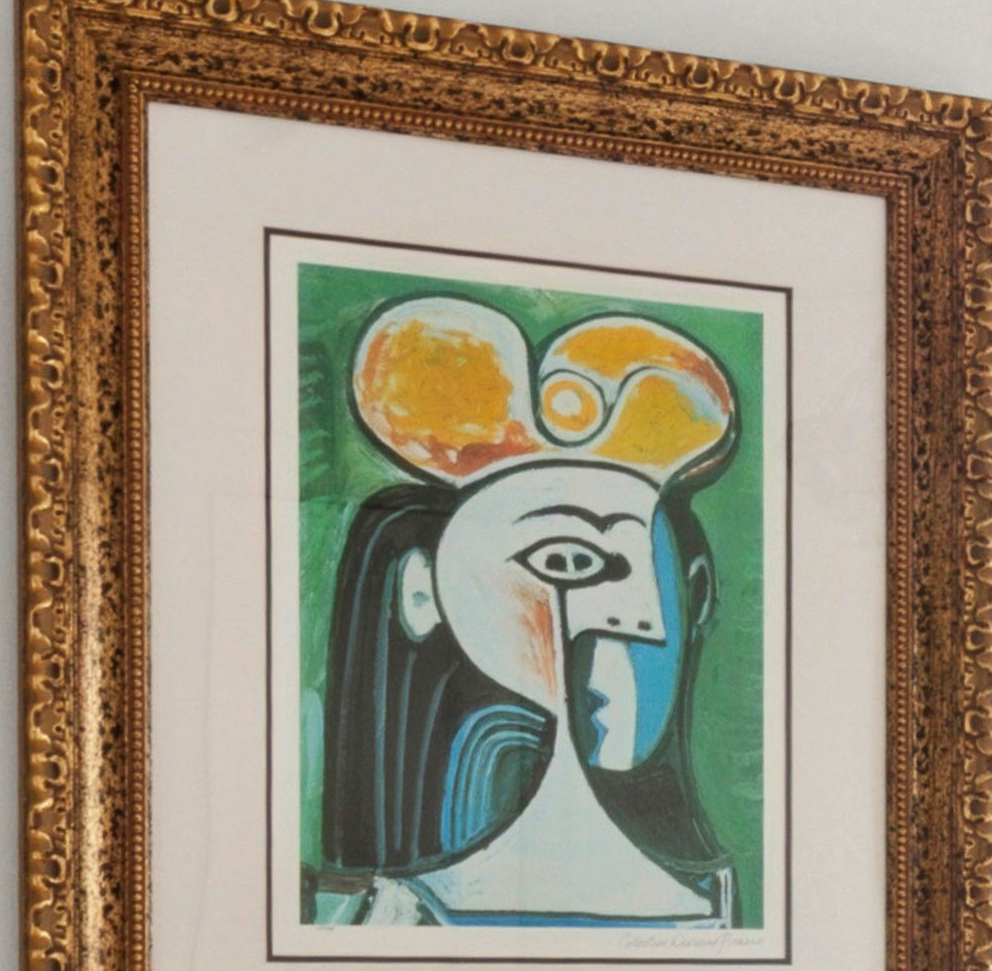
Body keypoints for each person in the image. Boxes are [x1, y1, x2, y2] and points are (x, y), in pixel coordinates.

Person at [306, 289, 747, 931]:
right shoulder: (371, 915)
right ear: (420, 589)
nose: (637, 618)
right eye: (567, 561)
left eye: (645, 566)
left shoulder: (720, 906)